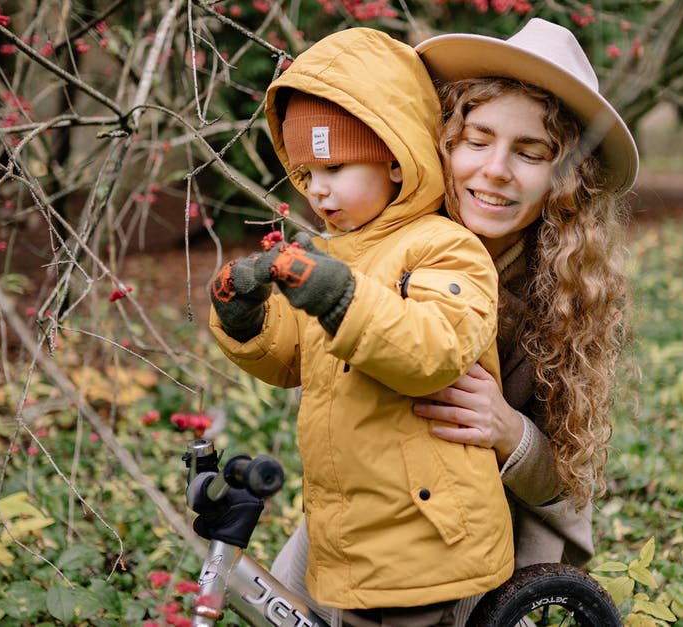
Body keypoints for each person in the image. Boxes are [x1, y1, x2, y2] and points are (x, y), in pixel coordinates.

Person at [206, 27, 514, 624]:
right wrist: (246, 320)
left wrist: (337, 295)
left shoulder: (445, 248)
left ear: (396, 162)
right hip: (355, 529)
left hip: (425, 535)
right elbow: (293, 356)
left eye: (335, 165)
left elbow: (432, 350)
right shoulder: (334, 253)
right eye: (305, 174)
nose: (318, 188)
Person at [411, 17, 639, 575]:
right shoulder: (395, 249)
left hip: (488, 548)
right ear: (444, 143)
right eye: (477, 140)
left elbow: (566, 486)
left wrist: (509, 429)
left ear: (566, 179)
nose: (494, 170)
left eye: (530, 154)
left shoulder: (563, 295)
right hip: (374, 523)